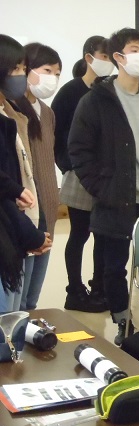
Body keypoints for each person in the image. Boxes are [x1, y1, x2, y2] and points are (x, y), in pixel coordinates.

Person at [69, 28, 139, 345]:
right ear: (118, 57)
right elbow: (79, 150)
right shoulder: (96, 100)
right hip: (114, 198)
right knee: (113, 267)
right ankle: (122, 322)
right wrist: (101, 187)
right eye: (134, 50)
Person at [52, 35, 111, 313]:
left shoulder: (109, 90)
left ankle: (99, 287)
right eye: (104, 56)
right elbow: (55, 130)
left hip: (105, 175)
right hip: (78, 173)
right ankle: (74, 290)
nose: (109, 62)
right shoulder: (71, 91)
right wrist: (67, 164)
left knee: (103, 235)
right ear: (89, 58)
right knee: (79, 233)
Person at [0, 34, 52, 311]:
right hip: (9, 229)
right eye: (16, 69)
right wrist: (29, 233)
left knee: (20, 310)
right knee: (8, 317)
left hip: (19, 223)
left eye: (23, 68)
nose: (22, 76)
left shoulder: (10, 113)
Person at [13, 43, 61, 310]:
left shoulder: (48, 112)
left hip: (48, 208)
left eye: (57, 73)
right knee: (18, 295)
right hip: (24, 208)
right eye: (47, 70)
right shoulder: (12, 110)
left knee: (32, 297)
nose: (52, 78)